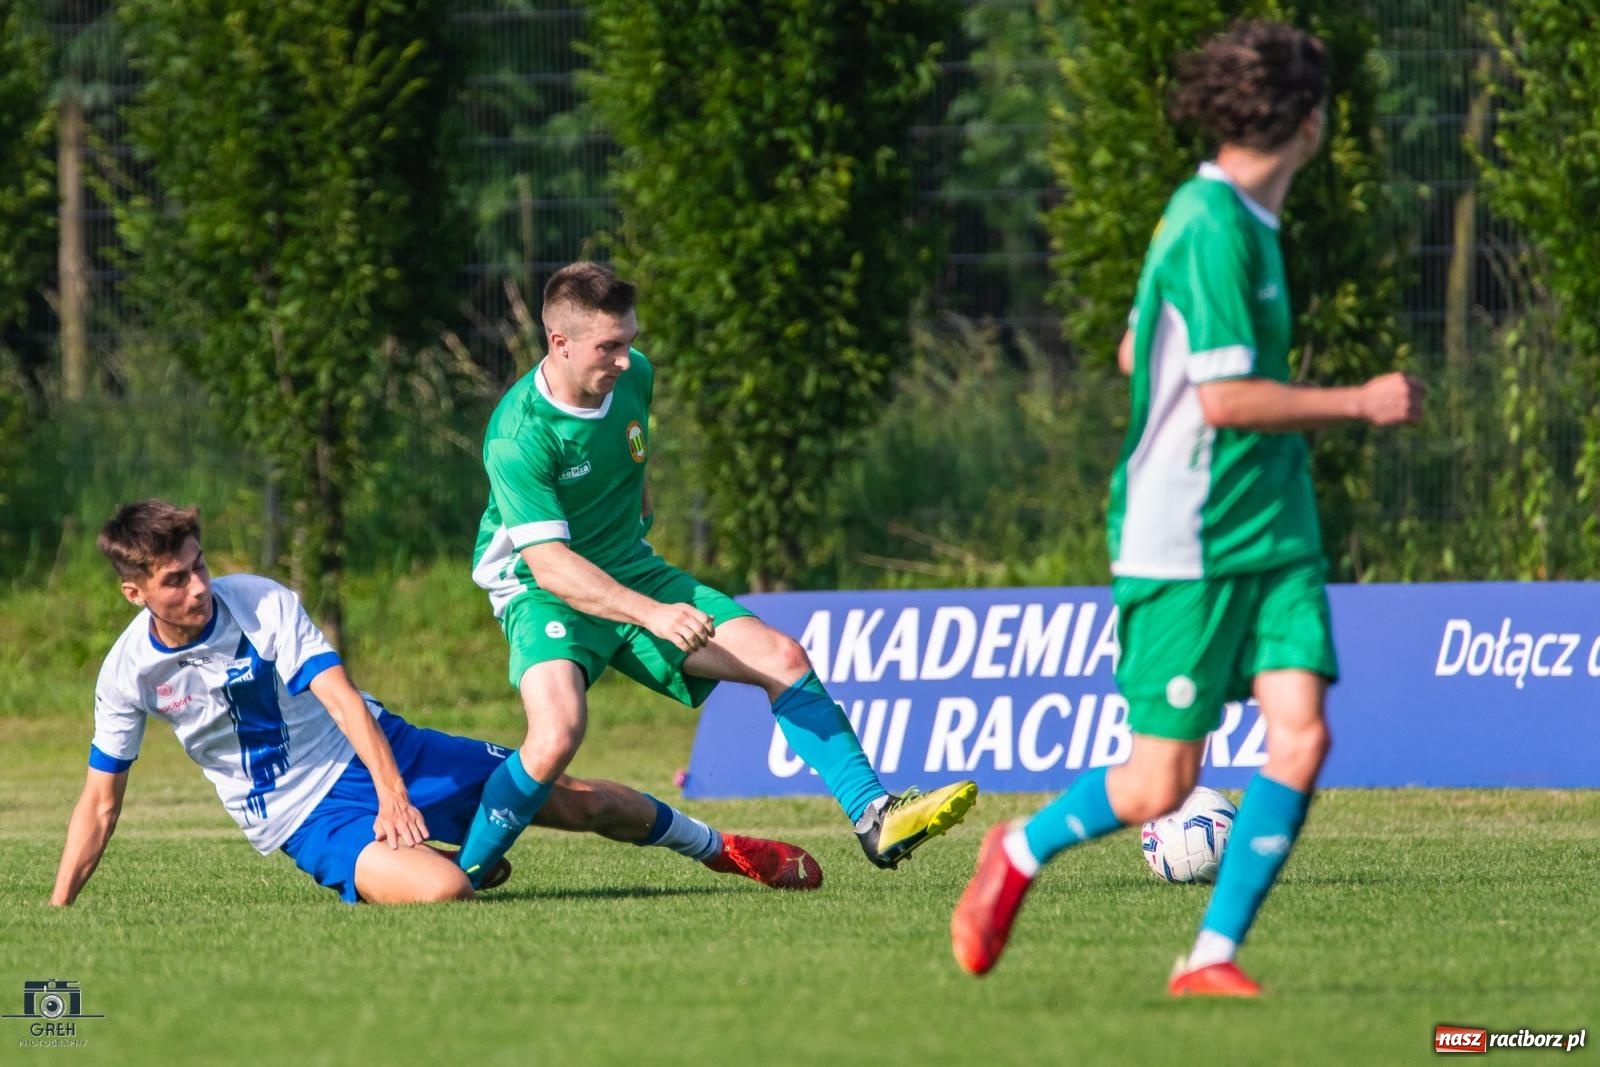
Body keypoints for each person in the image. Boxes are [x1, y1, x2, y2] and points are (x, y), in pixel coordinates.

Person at [950, 20, 1425, 995]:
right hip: (1187, 530)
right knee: (1159, 782)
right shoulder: (1207, 223)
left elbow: (1138, 350)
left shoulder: (1243, 223)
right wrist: (1358, 401)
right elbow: (1222, 398)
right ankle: (1018, 848)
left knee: (1301, 732)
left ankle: (1209, 955)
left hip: (1274, 518)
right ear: (1307, 122)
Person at [455, 262, 977, 888]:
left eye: (629, 340)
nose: (625, 360)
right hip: (545, 592)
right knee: (557, 733)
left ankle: (875, 816)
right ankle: (466, 871)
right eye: (609, 346)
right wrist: (653, 614)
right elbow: (552, 566)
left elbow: (629, 447)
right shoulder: (518, 434)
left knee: (782, 657)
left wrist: (638, 505)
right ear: (559, 344)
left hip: (631, 570)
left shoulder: (634, 376)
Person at [51, 500, 822, 907]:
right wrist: (57, 910)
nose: (199, 585)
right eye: (176, 579)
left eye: (198, 565)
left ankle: (726, 850)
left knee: (575, 800)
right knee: (447, 891)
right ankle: (448, 860)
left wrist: (392, 791)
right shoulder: (129, 674)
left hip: (391, 749)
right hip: (306, 819)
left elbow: (343, 699)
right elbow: (100, 802)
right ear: (134, 590)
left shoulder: (260, 601)